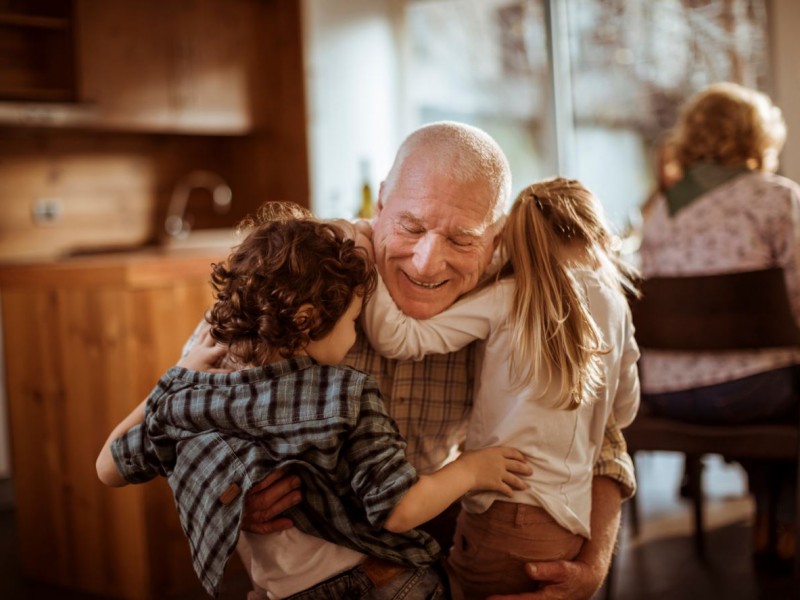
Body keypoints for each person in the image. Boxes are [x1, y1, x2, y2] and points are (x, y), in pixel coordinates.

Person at [196, 122, 637, 600]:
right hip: (298, 575)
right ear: (380, 203)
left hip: (423, 553)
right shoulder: (305, 271)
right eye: (411, 226)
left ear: (497, 237)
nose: (428, 263)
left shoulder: (515, 292)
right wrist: (231, 495)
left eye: (462, 240)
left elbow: (604, 439)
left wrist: (591, 567)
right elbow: (184, 409)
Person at [95, 203, 531, 599]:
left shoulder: (197, 393)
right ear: (307, 321)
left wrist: (176, 380)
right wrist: (473, 469)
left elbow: (108, 467)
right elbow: (398, 509)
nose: (356, 335)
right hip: (384, 586)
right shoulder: (346, 395)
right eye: (353, 321)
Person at [360, 177, 641, 598]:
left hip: (500, 511)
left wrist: (365, 249)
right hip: (567, 523)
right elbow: (623, 413)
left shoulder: (509, 296)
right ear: (597, 232)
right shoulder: (616, 305)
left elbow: (397, 338)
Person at [638, 82, 800, 568]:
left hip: (666, 393)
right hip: (752, 392)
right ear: (758, 138)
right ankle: (786, 520)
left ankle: (769, 517)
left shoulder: (660, 211)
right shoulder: (778, 198)